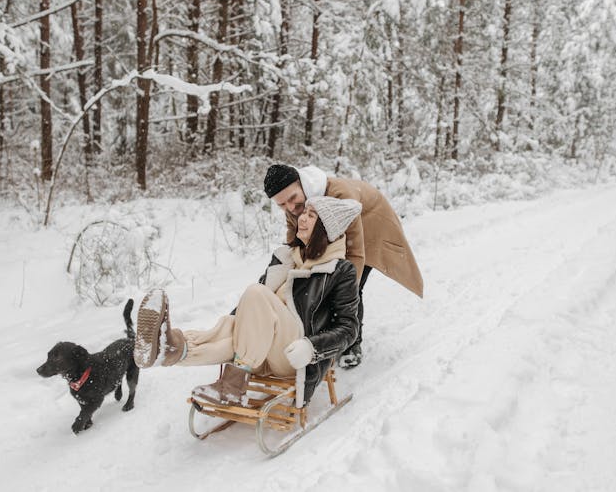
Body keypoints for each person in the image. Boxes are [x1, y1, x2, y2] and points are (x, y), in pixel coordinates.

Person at [133, 196, 362, 407]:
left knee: (256, 293)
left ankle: (232, 385)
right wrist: (233, 323)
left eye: (312, 216)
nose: (302, 217)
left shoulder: (340, 271)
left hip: (295, 355)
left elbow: (349, 327)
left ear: (326, 229)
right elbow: (252, 309)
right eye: (305, 212)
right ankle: (172, 349)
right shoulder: (286, 257)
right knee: (231, 330)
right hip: (262, 349)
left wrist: (312, 348)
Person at [263, 164, 423, 368]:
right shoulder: (292, 205)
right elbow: (294, 242)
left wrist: (347, 289)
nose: (290, 208)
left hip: (370, 223)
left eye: (293, 199)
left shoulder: (340, 194)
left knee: (350, 284)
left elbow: (355, 251)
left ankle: (351, 344)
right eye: (282, 205)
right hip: (335, 228)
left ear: (302, 184)